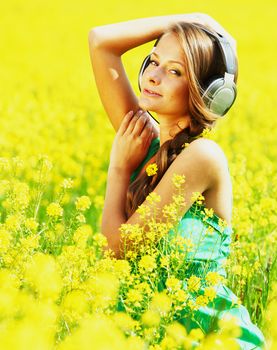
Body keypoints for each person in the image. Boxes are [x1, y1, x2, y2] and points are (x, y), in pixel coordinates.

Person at [88, 13, 264, 349]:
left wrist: (119, 170)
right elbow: (100, 42)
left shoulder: (202, 157)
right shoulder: (145, 143)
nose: (153, 77)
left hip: (213, 341)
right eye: (153, 62)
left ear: (210, 93)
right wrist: (188, 19)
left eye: (175, 71)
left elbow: (116, 248)